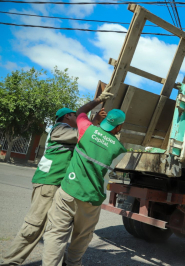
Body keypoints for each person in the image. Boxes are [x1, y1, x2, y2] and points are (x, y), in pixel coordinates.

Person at [0, 106, 106, 266]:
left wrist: (95, 116)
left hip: (59, 184)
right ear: (67, 117)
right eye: (74, 116)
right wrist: (94, 118)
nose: (77, 120)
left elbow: (84, 131)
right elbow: (83, 133)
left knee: (57, 227)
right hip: (48, 183)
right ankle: (10, 262)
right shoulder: (59, 129)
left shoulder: (67, 130)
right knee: (35, 225)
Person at [41, 95, 127, 266]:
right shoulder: (120, 150)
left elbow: (80, 112)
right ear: (119, 127)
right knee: (81, 237)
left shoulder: (86, 129)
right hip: (91, 200)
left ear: (106, 120)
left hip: (68, 191)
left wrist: (97, 102)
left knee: (56, 235)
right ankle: (73, 263)